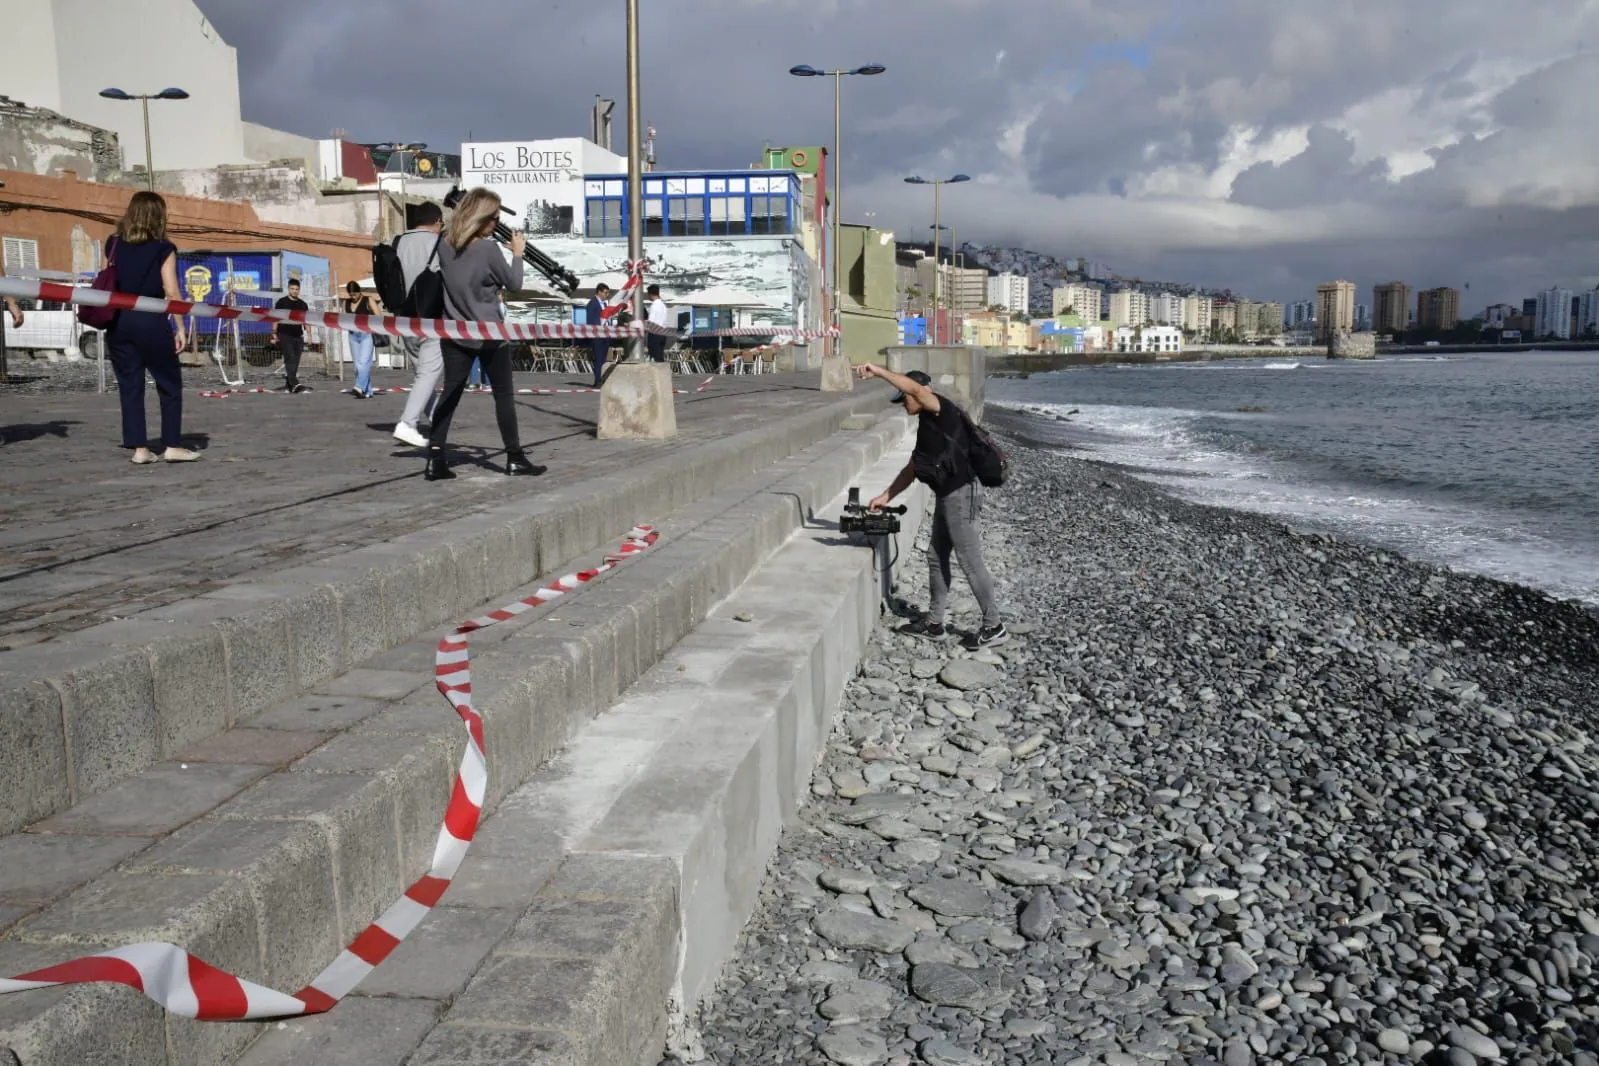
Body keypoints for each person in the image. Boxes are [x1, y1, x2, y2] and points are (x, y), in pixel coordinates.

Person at [856, 364, 1007, 648]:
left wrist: (877, 371)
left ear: (921, 392)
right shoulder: (927, 425)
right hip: (947, 495)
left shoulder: (941, 409)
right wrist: (885, 496)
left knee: (970, 561)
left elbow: (914, 388)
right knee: (936, 557)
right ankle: (934, 623)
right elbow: (913, 468)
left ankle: (994, 625)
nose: (903, 404)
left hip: (961, 494)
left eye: (905, 398)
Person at [424, 187, 543, 481]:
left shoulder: (444, 244)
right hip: (489, 332)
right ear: (481, 218)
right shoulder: (488, 249)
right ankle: (514, 457)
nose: (496, 223)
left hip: (455, 331)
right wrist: (517, 254)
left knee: (450, 394)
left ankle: (435, 457)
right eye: (494, 218)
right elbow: (514, 283)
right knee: (503, 396)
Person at [103, 191, 200, 464]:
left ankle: (140, 449)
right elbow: (171, 290)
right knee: (168, 382)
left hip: (119, 321)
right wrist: (180, 326)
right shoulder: (163, 248)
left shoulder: (113, 243)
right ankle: (171, 444)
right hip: (151, 319)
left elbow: (106, 279)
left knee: (130, 386)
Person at [392, 202, 446, 447]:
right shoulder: (436, 243)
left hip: (403, 318)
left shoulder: (396, 242)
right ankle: (408, 423)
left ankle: (437, 418)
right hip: (430, 317)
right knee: (428, 374)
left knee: (423, 374)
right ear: (436, 222)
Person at [269, 278, 310, 393]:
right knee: (290, 358)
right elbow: (275, 318)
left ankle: (289, 383)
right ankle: (295, 383)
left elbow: (306, 320)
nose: (295, 291)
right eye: (292, 289)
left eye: (297, 289)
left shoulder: (303, 304)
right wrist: (274, 334)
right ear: (288, 289)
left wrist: (309, 334)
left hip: (298, 335)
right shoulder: (282, 302)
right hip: (284, 334)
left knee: (295, 361)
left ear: (299, 290)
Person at [342, 280, 376, 398]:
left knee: (363, 363)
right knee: (357, 365)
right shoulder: (346, 302)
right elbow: (343, 317)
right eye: (351, 295)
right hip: (353, 335)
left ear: (359, 291)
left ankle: (359, 387)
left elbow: (378, 315)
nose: (353, 297)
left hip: (366, 334)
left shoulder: (368, 300)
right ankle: (368, 391)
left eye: (355, 294)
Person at [584, 283, 613, 388]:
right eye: (605, 292)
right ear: (599, 292)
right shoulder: (592, 304)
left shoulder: (605, 304)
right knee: (598, 359)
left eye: (608, 293)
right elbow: (590, 320)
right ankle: (598, 381)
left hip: (606, 335)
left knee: (604, 359)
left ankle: (603, 379)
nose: (607, 295)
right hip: (597, 335)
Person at [645, 284, 669, 363]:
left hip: (655, 334)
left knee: (654, 357)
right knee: (660, 356)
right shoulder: (663, 305)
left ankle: (657, 374)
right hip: (663, 333)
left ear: (650, 294)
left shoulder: (654, 305)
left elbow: (651, 322)